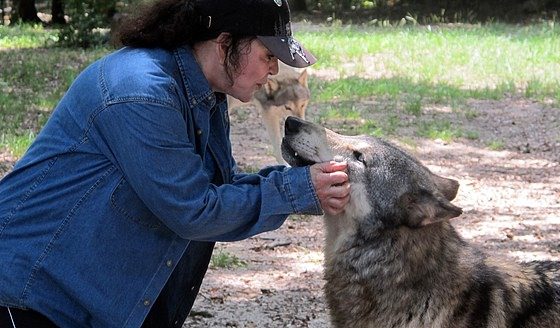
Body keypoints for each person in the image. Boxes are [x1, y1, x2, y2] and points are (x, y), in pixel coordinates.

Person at [0, 0, 350, 327]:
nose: (274, 68)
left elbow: (218, 191)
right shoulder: (141, 90)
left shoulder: (206, 91)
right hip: (32, 300)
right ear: (225, 42)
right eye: (266, 54)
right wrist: (299, 190)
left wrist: (306, 185)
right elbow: (193, 210)